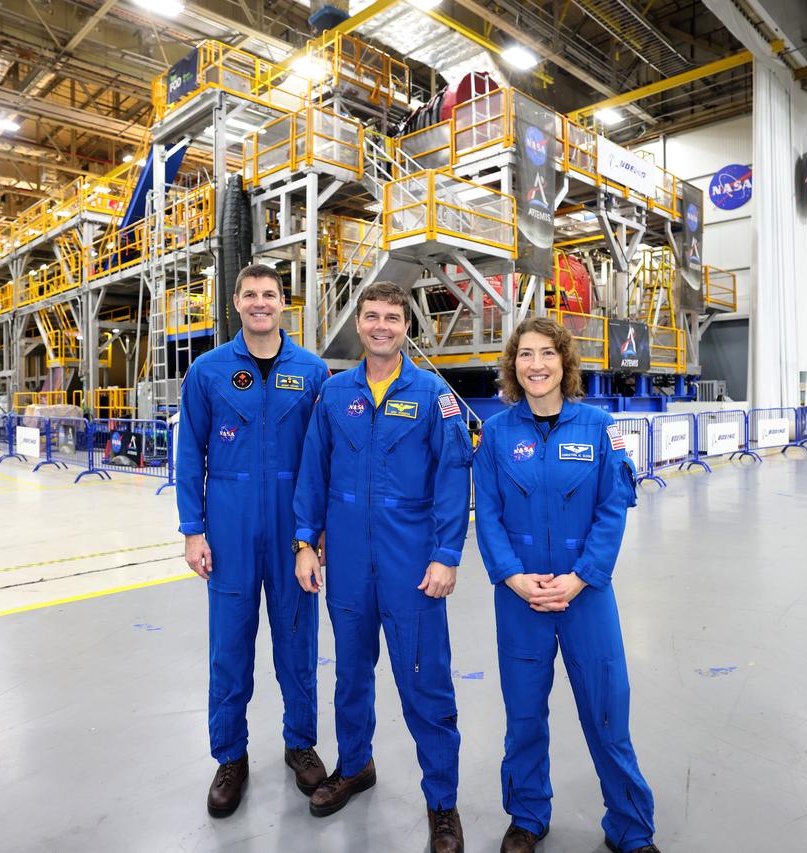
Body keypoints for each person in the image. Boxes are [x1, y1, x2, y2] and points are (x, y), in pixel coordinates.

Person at [293, 282, 473, 852]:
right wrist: (305, 542)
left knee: (425, 681)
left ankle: (442, 803)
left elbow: (452, 479)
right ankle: (355, 765)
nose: (380, 325)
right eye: (371, 316)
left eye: (392, 317)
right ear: (360, 324)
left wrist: (446, 555)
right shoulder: (334, 393)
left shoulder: (432, 395)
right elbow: (312, 472)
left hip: (410, 563)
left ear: (405, 327)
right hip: (346, 559)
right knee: (351, 674)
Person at [471, 317, 660, 853]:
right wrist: (512, 576)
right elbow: (487, 514)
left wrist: (582, 578)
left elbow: (612, 509)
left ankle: (630, 826)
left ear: (564, 362)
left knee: (607, 711)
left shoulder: (601, 427)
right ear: (513, 365)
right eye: (525, 355)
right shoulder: (496, 435)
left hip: (587, 594)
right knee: (524, 713)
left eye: (547, 354)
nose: (536, 365)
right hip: (520, 595)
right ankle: (528, 816)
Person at [175, 263, 332, 818]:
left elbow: (322, 462)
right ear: (235, 303)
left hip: (293, 531)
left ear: (282, 304)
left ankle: (300, 744)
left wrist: (313, 539)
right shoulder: (208, 372)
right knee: (230, 648)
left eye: (270, 295)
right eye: (250, 295)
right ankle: (231, 756)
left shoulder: (313, 372)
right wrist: (193, 530)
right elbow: (190, 454)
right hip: (231, 527)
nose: (260, 303)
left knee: (298, 643)